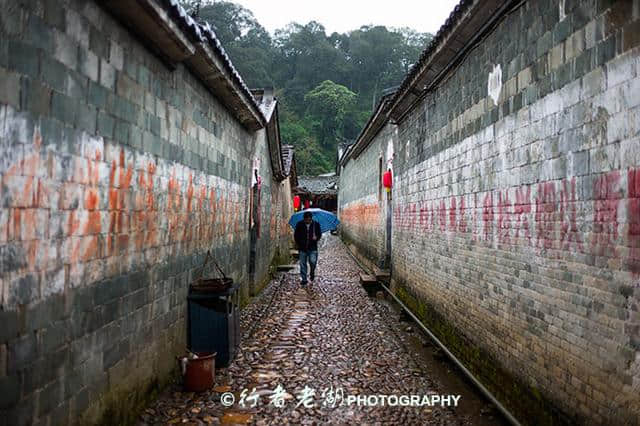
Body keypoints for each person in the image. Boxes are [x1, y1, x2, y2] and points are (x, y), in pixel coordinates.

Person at [294, 211, 322, 287]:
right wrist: (298, 243)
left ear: (311, 218)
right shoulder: (299, 224)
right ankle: (304, 279)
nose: (307, 221)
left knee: (313, 262)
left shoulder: (316, 224)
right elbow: (296, 235)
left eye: (309, 220)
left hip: (313, 248)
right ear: (304, 219)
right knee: (303, 264)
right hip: (302, 248)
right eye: (306, 220)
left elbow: (319, 234)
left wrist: (316, 238)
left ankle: (312, 272)